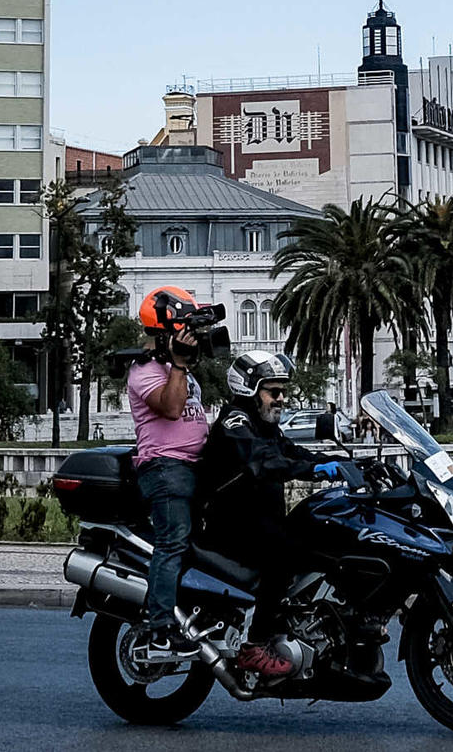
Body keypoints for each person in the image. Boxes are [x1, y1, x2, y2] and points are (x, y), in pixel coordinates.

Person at [198, 350, 346, 678]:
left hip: (259, 520)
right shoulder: (237, 422)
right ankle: (256, 645)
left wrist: (344, 464)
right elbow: (264, 461)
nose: (281, 398)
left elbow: (290, 451)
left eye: (282, 391)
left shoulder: (265, 427)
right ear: (250, 390)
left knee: (321, 536)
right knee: (285, 556)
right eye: (273, 391)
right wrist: (318, 470)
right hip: (231, 524)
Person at [126, 287, 208, 655]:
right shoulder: (144, 371)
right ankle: (158, 629)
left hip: (192, 467)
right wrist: (178, 363)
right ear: (163, 333)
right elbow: (172, 409)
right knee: (173, 539)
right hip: (164, 466)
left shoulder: (178, 369)